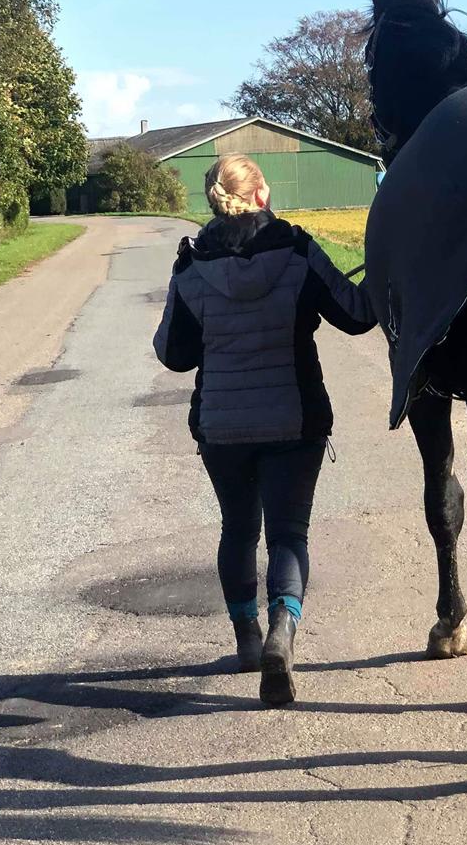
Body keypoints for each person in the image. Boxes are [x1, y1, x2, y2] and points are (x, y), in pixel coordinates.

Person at [153, 153, 375, 705]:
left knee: (237, 530)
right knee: (288, 535)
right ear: (259, 196)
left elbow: (173, 355)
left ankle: (247, 638)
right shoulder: (298, 251)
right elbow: (357, 314)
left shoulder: (190, 265)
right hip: (292, 421)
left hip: (221, 427)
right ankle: (283, 630)